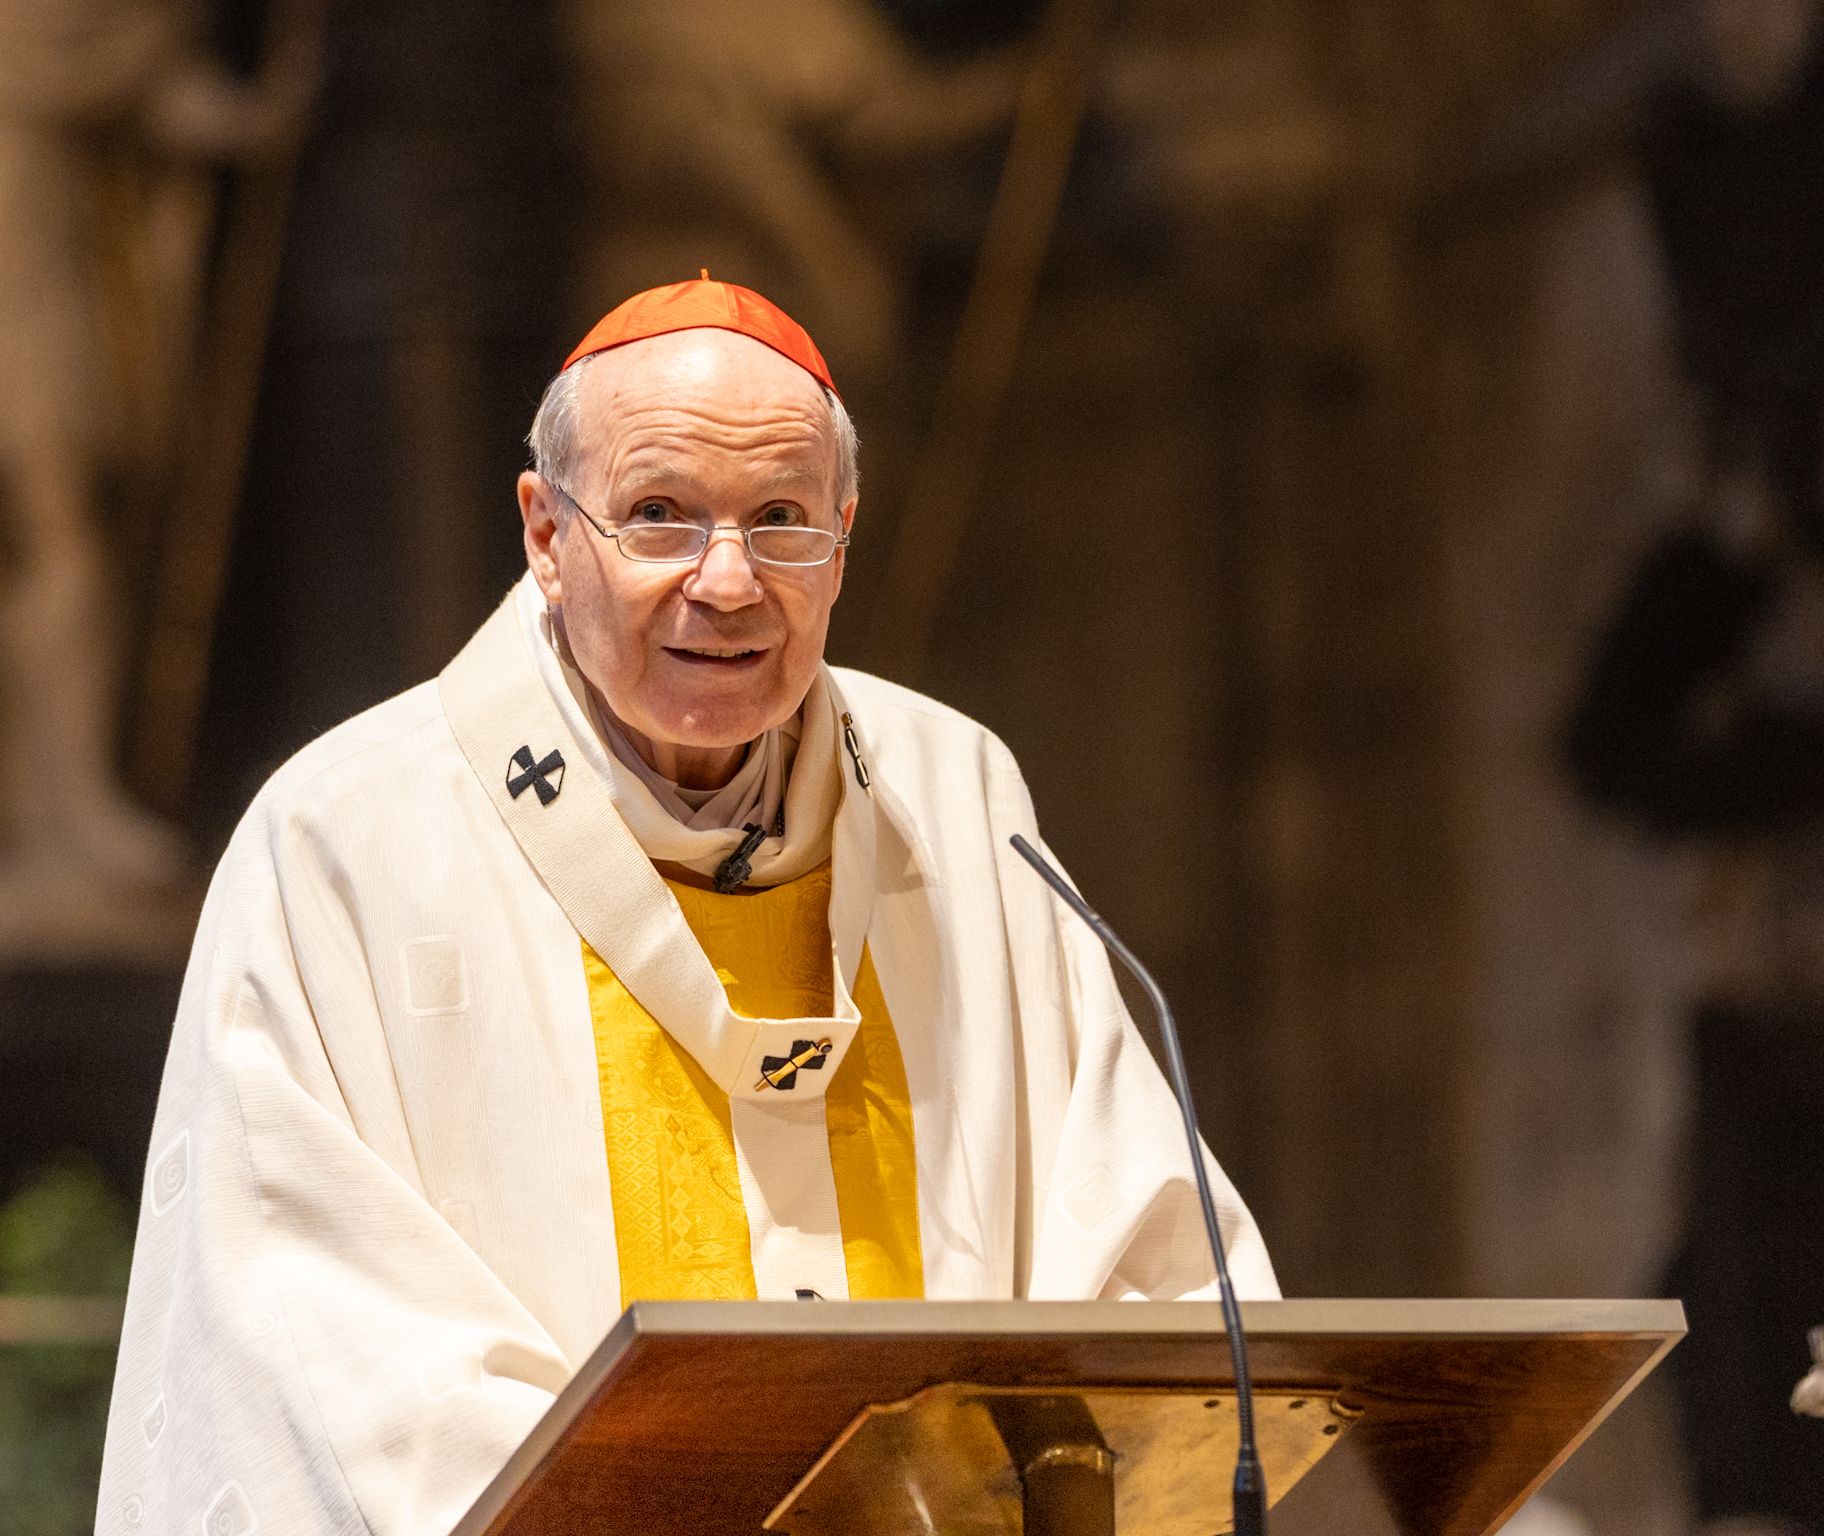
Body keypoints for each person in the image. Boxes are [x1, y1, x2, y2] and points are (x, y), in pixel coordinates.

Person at [94, 278, 1275, 1534]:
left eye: (780, 521)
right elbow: (321, 1339)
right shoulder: (346, 837)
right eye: (659, 517)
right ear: (546, 533)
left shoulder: (958, 798)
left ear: (842, 537)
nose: (726, 582)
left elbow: (1136, 1270)